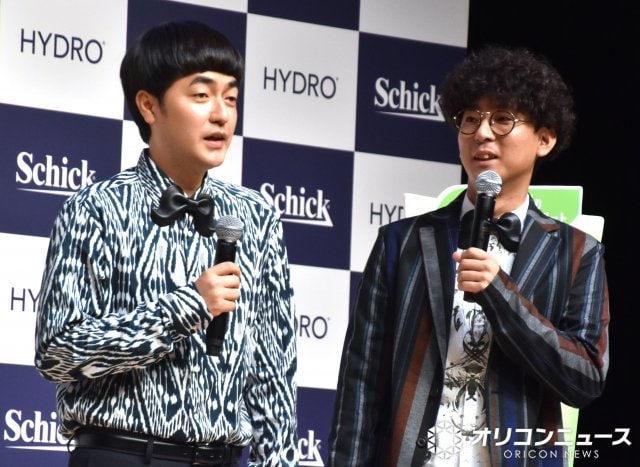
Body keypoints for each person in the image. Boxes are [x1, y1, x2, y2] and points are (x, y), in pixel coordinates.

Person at [328, 45, 609, 466]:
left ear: (545, 139)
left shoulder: (577, 252)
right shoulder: (401, 241)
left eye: (502, 119)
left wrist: (501, 295)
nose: (482, 133)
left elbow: (584, 378)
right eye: (470, 119)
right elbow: (360, 380)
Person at [34, 20, 298, 467]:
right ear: (149, 105)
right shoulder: (96, 208)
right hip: (121, 455)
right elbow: (57, 352)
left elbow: (274, 371)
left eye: (231, 98)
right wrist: (186, 307)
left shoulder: (257, 216)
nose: (222, 115)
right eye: (202, 95)